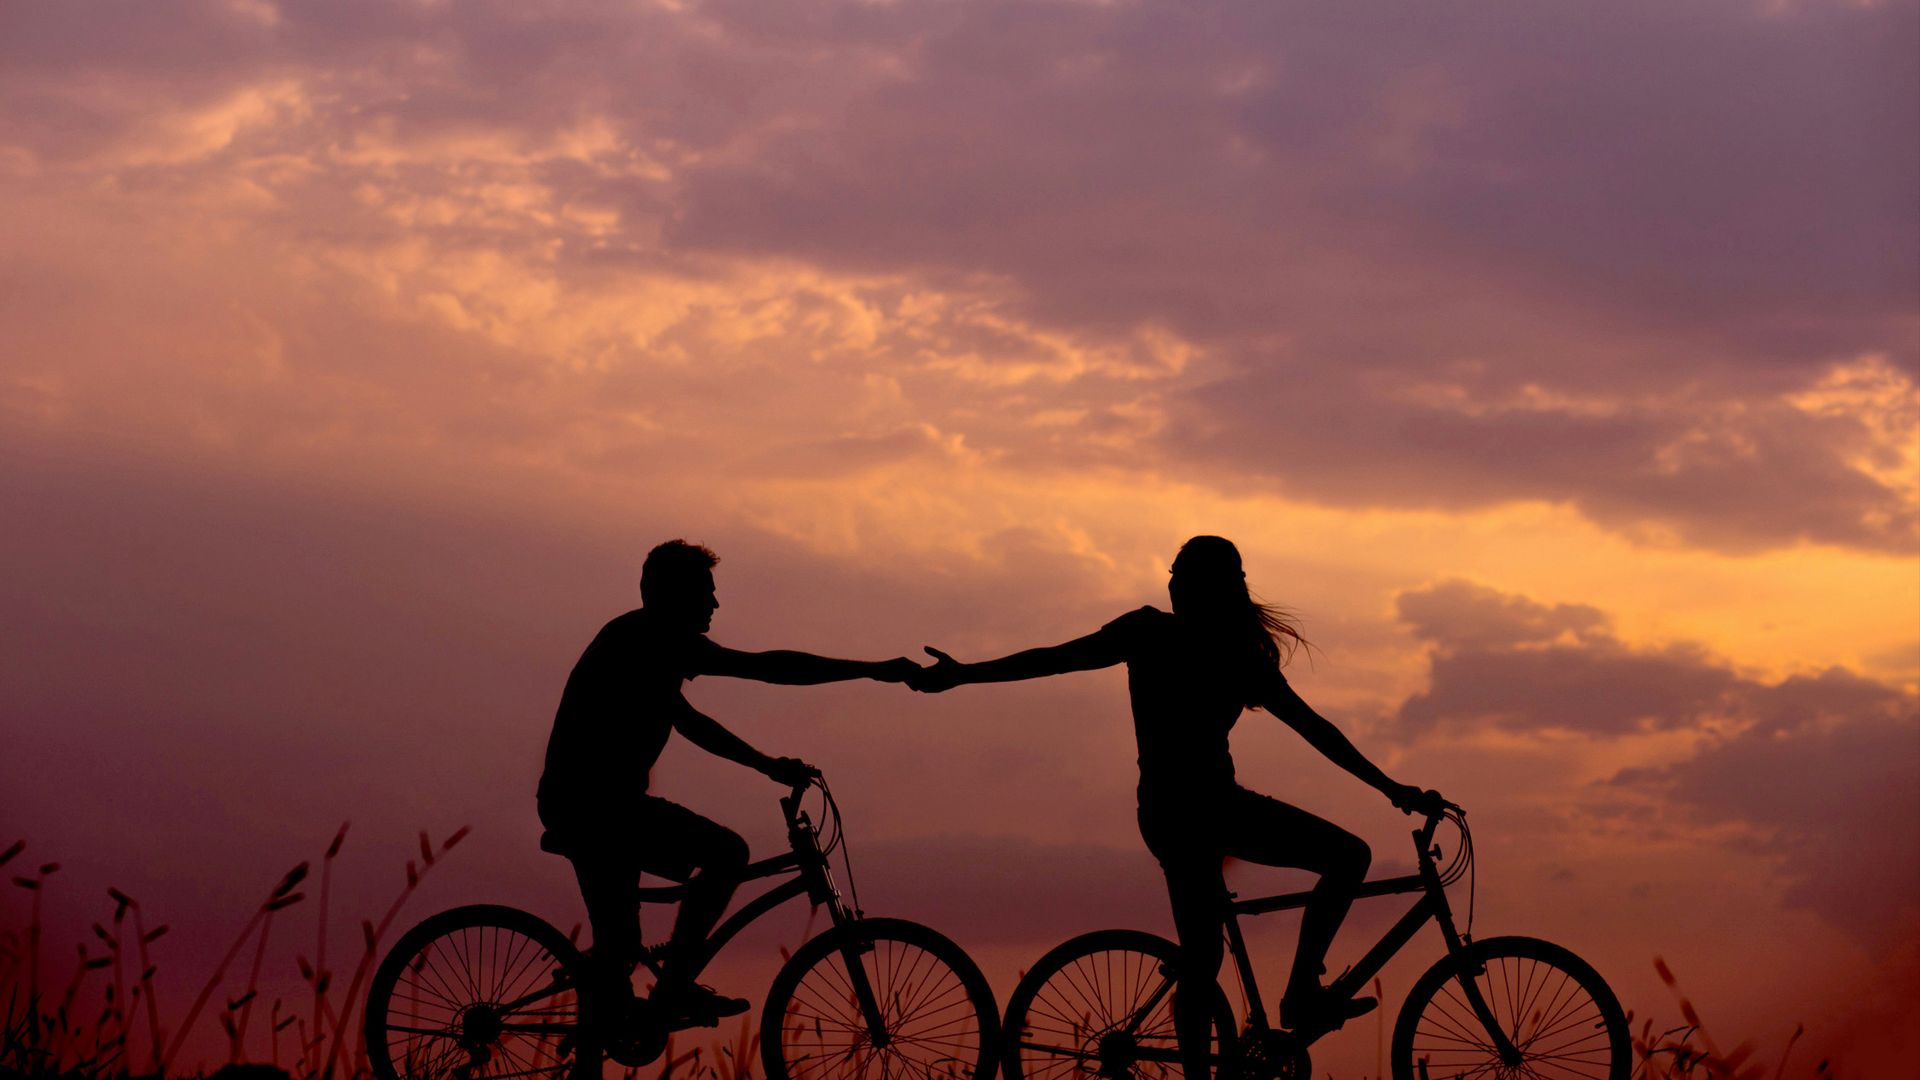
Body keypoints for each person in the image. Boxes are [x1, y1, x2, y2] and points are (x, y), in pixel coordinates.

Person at [908, 535, 1441, 1079]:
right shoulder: (1187, 641)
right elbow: (1054, 659)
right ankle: (1302, 992)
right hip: (1205, 810)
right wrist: (1392, 789)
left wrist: (1390, 786)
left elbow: (1314, 728)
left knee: (1204, 957)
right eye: (1173, 573)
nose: (1172, 584)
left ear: (1212, 587)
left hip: (1177, 812)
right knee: (1343, 860)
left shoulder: (1205, 646)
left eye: (1182, 575)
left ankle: (1258, 1026)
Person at [538, 539, 919, 1022]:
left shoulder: (645, 643)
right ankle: (672, 988)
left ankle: (622, 1011)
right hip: (594, 808)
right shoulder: (648, 640)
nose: (715, 603)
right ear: (674, 595)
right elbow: (764, 670)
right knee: (726, 854)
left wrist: (767, 764)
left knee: (620, 953)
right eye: (705, 591)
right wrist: (872, 671)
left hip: (600, 806)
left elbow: (691, 719)